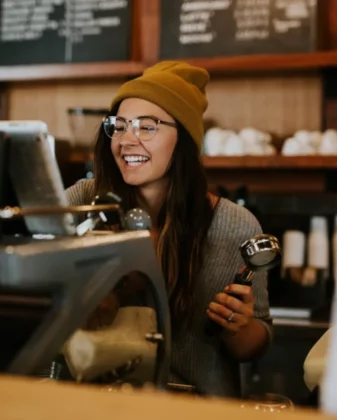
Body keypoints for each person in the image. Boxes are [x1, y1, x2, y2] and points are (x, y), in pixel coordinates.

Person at [65, 61, 272, 398]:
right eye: (119, 126)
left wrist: (240, 327)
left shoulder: (234, 224)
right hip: (93, 404)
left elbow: (255, 346)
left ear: (184, 141)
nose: (126, 140)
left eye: (147, 127)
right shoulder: (82, 202)